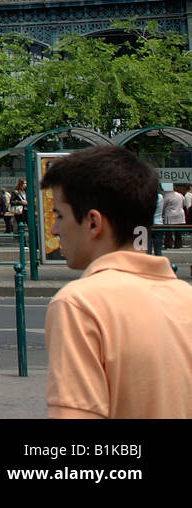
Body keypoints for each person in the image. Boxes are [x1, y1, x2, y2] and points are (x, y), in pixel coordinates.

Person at [44, 145, 192, 418]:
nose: (54, 229)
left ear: (93, 222)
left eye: (60, 215)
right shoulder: (186, 297)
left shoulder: (79, 304)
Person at [162, 183, 186, 249]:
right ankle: (178, 245)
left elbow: (163, 206)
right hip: (180, 215)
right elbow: (184, 204)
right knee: (178, 233)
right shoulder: (180, 195)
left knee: (168, 232)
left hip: (170, 216)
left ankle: (168, 244)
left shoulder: (167, 196)